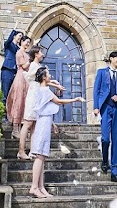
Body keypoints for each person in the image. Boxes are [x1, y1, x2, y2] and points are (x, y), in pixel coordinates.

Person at [29, 66, 86, 198]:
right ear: (43, 77)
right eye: (48, 74)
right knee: (39, 156)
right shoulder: (46, 91)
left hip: (44, 122)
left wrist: (53, 123)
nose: (50, 76)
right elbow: (59, 101)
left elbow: (45, 109)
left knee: (42, 157)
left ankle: (41, 187)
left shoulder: (41, 89)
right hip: (42, 125)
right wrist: (75, 99)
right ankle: (34, 187)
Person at [17, 46, 65, 160]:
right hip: (33, 97)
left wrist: (53, 82)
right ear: (36, 54)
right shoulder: (33, 65)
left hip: (37, 97)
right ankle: (21, 151)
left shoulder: (38, 66)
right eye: (41, 52)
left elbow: (44, 80)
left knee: (34, 125)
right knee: (28, 123)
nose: (42, 54)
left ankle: (33, 151)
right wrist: (56, 85)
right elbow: (39, 81)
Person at [93, 51, 117, 183]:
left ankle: (114, 172)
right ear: (111, 59)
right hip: (105, 108)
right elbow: (96, 90)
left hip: (116, 109)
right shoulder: (102, 72)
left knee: (116, 140)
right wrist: (96, 107)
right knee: (106, 139)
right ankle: (104, 160)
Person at [5, 36, 32, 137]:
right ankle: (15, 129)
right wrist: (31, 60)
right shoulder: (19, 52)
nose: (27, 44)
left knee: (26, 102)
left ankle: (24, 128)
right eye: (26, 42)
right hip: (21, 77)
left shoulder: (26, 54)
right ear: (21, 42)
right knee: (19, 101)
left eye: (29, 42)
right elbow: (24, 66)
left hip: (27, 79)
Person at [1, 29, 24, 104]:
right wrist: (14, 29)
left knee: (12, 95)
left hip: (15, 73)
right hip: (7, 70)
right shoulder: (9, 45)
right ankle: (3, 114)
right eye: (19, 36)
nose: (20, 38)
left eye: (22, 37)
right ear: (14, 36)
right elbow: (8, 40)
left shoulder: (18, 49)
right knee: (5, 94)